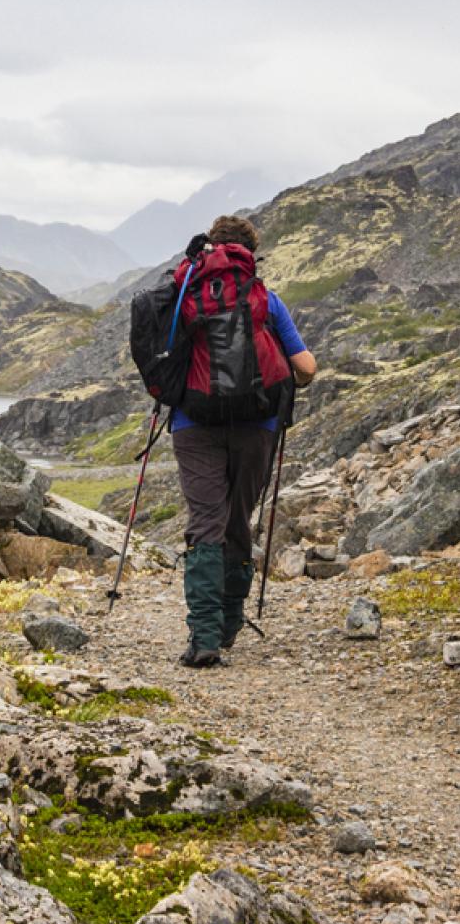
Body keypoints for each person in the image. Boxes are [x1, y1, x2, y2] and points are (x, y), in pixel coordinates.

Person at [171, 215, 316, 668]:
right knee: (238, 520)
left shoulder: (187, 295)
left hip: (193, 424)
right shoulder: (266, 300)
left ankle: (205, 638)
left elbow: (162, 359)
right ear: (251, 254)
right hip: (258, 424)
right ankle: (230, 623)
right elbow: (307, 368)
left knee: (205, 522)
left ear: (211, 249)